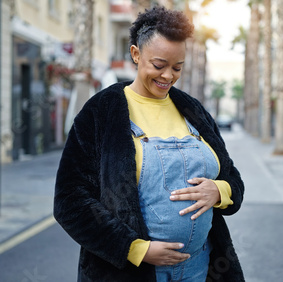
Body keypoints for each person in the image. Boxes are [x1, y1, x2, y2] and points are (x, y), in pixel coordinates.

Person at [53, 6, 245, 282]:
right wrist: (135, 249)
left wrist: (220, 190)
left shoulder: (193, 111)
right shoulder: (101, 112)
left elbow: (232, 178)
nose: (168, 76)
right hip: (131, 273)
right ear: (135, 54)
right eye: (159, 65)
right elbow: (69, 201)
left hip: (201, 269)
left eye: (177, 67)